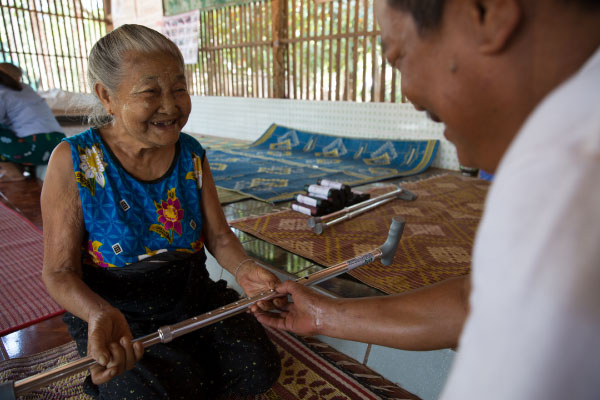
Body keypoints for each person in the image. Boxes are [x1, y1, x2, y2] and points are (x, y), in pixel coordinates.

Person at [254, 1, 600, 399]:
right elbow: (475, 300)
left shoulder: (564, 171)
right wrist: (322, 313)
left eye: (399, 56)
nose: (412, 97)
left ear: (487, 12)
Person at [41, 25, 284, 399]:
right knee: (145, 391)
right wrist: (97, 314)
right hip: (116, 307)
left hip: (190, 293)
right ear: (107, 97)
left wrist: (245, 269)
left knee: (257, 365)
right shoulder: (74, 161)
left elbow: (219, 237)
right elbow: (59, 272)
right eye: (150, 92)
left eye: (180, 89)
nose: (170, 106)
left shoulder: (191, 154)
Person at [0, 62, 65, 181]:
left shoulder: (2, 91)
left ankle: (14, 175)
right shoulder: (25, 87)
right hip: (59, 143)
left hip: (36, 146)